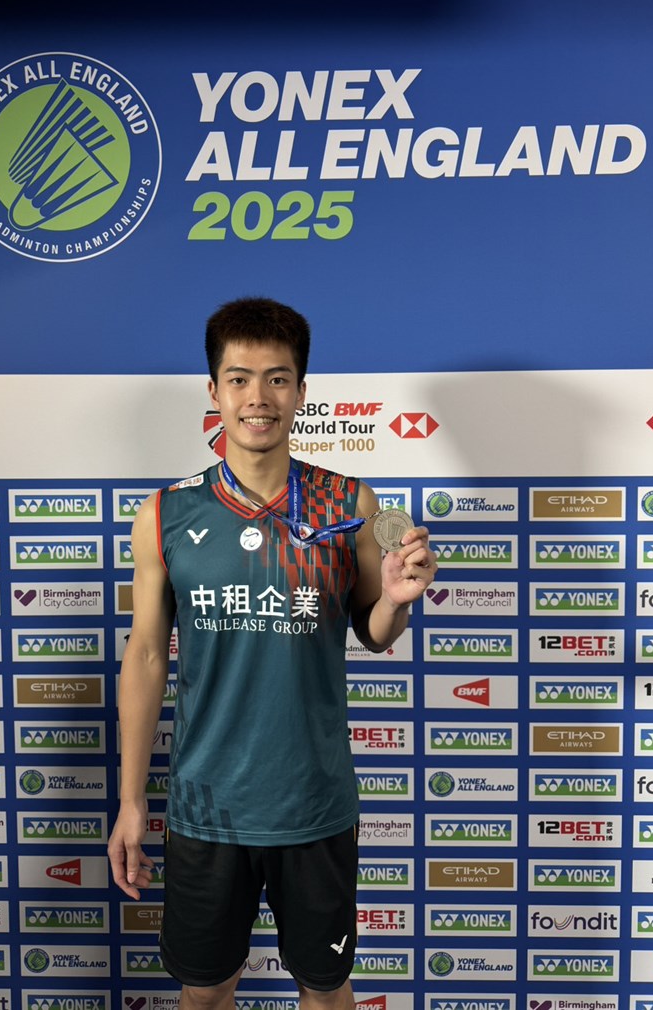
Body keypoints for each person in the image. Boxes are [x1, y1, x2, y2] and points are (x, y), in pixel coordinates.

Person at [108, 297, 437, 1010]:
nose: (258, 398)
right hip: (206, 807)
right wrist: (132, 800)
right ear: (213, 391)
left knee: (325, 989)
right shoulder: (165, 513)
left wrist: (397, 600)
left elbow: (373, 631)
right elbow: (144, 659)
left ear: (302, 392)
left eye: (278, 379)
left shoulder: (350, 503)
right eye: (239, 378)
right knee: (206, 991)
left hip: (313, 804)